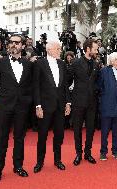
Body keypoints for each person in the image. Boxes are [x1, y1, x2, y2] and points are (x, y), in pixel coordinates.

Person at [0, 35, 33, 183]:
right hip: (5, 106)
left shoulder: (28, 64)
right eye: (11, 42)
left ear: (22, 45)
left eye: (17, 43)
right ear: (8, 45)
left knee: (19, 138)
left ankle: (18, 166)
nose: (14, 45)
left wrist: (30, 101)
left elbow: (31, 85)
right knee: (2, 139)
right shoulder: (0, 62)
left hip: (22, 107)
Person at [33, 42, 70, 173]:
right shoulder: (39, 64)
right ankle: (39, 162)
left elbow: (65, 85)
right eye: (58, 48)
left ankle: (57, 160)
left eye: (60, 48)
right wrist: (38, 106)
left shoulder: (62, 63)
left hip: (60, 106)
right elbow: (36, 86)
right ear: (49, 50)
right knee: (42, 136)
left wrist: (68, 103)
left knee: (59, 135)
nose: (60, 50)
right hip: (45, 106)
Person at [68, 38, 100, 166]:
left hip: (92, 102)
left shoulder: (96, 64)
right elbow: (68, 81)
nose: (97, 51)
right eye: (95, 49)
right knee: (77, 129)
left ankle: (88, 153)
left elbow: (96, 82)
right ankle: (78, 154)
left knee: (91, 129)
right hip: (78, 101)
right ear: (88, 49)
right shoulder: (76, 63)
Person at [98, 52, 117, 161]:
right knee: (105, 131)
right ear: (111, 61)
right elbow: (99, 86)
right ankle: (103, 152)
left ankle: (116, 151)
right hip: (107, 106)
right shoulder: (104, 71)